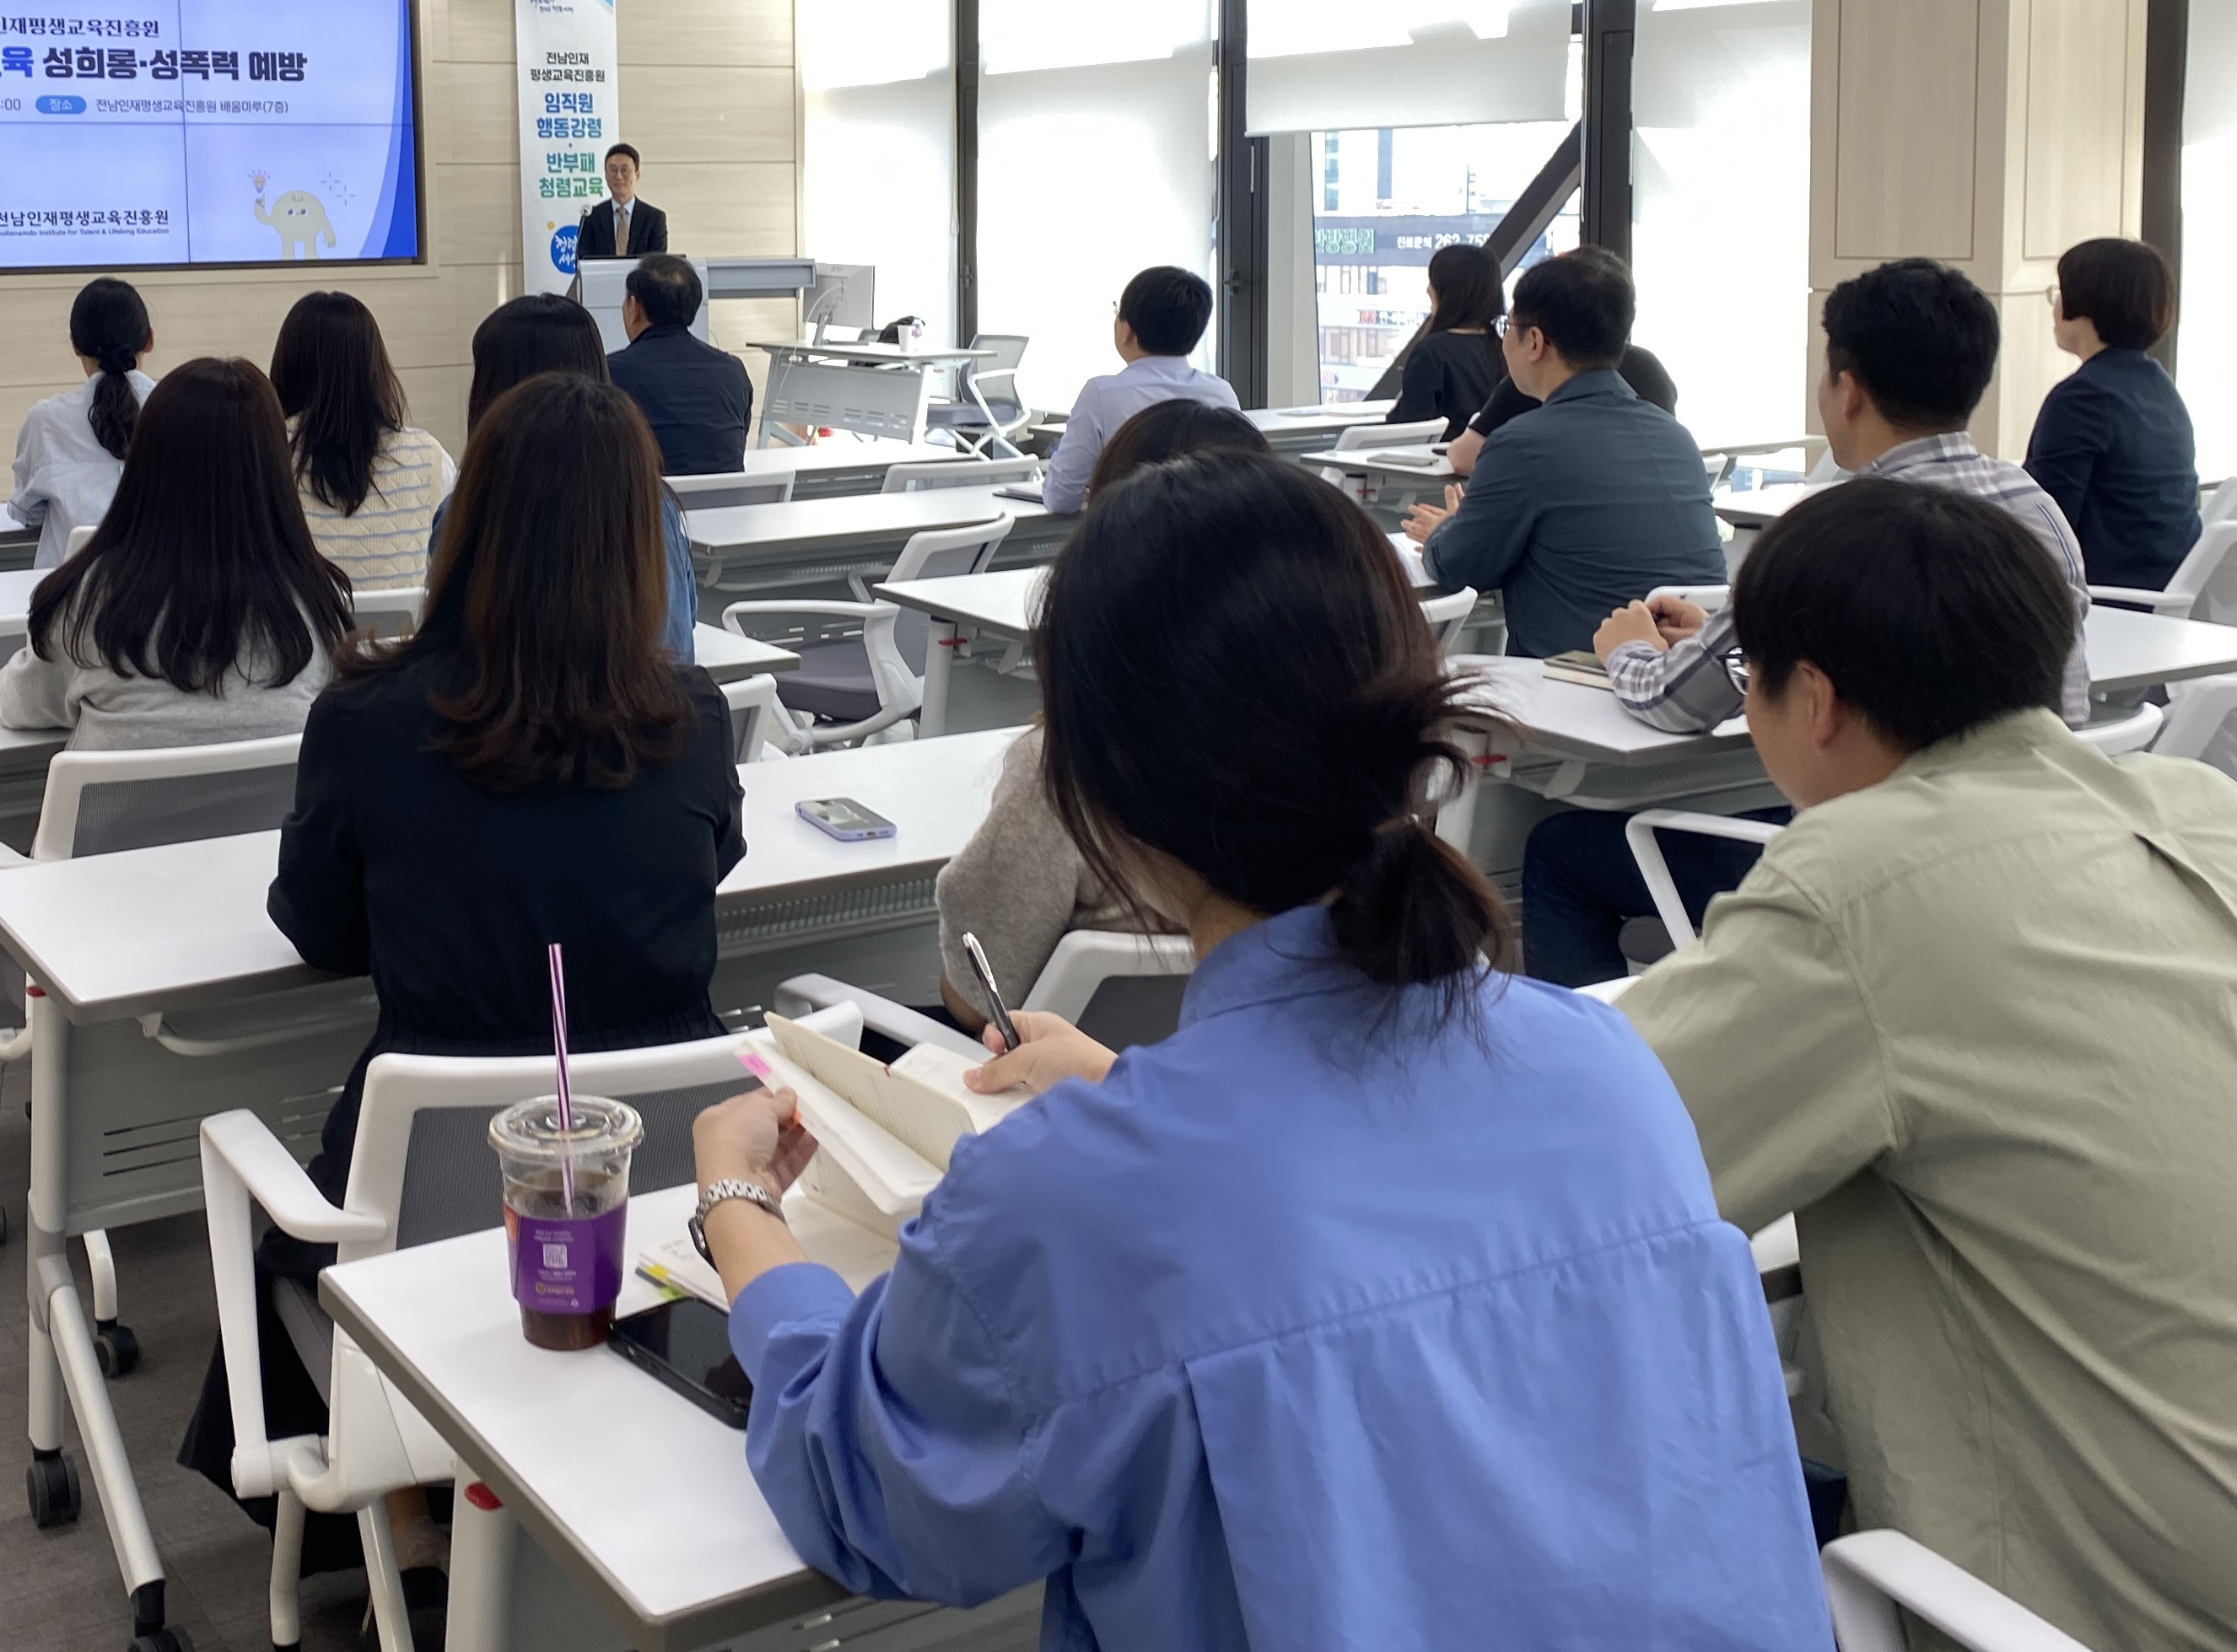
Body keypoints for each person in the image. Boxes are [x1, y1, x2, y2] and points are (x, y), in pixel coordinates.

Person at [687, 453, 1830, 1649]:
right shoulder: (1604, 1072)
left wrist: (735, 1206)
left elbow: (862, 1490)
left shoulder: (1078, 1203)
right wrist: (1137, 1093)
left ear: (1093, 789)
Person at [1620, 477, 2237, 1652]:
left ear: (1813, 699)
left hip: (2167, 1610)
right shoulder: (2203, 807)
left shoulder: (1861, 884)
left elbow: (1597, 1155)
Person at [181, 373, 742, 1611]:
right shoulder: (692, 720)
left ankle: (409, 1527)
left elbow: (321, 931)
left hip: (433, 1212)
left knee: (310, 1228)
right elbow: (714, 864)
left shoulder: (368, 722)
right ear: (640, 541)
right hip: (653, 1210)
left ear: (467, 521)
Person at [1517, 258, 2091, 987]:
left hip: (1865, 870)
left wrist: (1631, 650)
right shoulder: (2038, 510)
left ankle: (1589, 1084)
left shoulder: (1828, 534)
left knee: (1562, 852)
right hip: (2028, 858)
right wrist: (1741, 628)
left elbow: (1674, 701)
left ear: (1847, 390)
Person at [930, 400, 1264, 1026]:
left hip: (1059, 1097)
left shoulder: (1066, 768)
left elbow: (979, 1000)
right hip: (1256, 1089)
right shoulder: (1335, 763)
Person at [0, 358, 349, 750]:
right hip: (274, 814)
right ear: (276, 469)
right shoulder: (318, 602)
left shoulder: (86, 602)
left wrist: (11, 677)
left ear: (146, 462)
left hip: (118, 813)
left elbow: (24, 707)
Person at [1405, 248, 1720, 656]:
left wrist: (1446, 530)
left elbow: (1459, 566)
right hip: (1682, 676)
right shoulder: (1676, 437)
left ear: (1534, 341)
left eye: (1509, 326)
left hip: (1579, 681)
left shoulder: (1523, 444)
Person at [461, 294, 697, 660]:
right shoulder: (654, 506)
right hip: (650, 713)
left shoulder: (468, 510)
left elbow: (451, 658)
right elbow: (680, 643)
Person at [2024, 234, 2202, 591]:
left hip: (2103, 600)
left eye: (2060, 291)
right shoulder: (2159, 386)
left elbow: (2039, 527)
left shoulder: (2082, 397)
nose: (2055, 305)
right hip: (2160, 591)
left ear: (2084, 303)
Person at [270, 289, 455, 588]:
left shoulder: (265, 453)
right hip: (404, 635)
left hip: (299, 634)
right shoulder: (430, 457)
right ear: (375, 367)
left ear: (287, 364)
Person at [1037, 266, 1240, 515]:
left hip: (1128, 541)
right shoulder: (1221, 394)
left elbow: (1060, 499)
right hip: (1207, 540)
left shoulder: (1102, 395)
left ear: (1126, 331)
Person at [6, 276, 154, 573]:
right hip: (167, 604)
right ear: (150, 340)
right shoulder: (183, 409)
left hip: (69, 605)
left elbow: (26, 513)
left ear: (75, 345)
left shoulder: (45, 421)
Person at [603, 253, 752, 476]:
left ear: (634, 307)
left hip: (648, 509)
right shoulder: (734, 370)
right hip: (725, 508)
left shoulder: (610, 373)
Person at [1445, 336, 1679, 478]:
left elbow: (1464, 456)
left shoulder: (1542, 374)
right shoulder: (1648, 366)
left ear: (1536, 339)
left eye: (1508, 326)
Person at [1383, 243, 1507, 435]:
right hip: (1497, 457)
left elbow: (1409, 428)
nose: (1427, 289)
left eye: (1433, 281)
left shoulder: (1431, 352)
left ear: (1448, 291)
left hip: (1440, 459)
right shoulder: (1506, 347)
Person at [573, 140, 667, 259]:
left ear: (637, 175)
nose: (618, 176)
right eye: (613, 170)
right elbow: (583, 260)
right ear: (606, 176)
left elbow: (657, 264)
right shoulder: (592, 217)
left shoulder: (655, 218)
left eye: (624, 170)